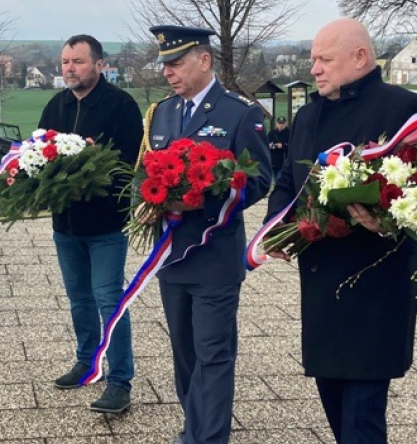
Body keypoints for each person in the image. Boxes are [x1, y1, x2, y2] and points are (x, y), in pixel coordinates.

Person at [264, 19, 417, 444]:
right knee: (335, 404)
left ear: (360, 57)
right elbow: (288, 181)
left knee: (362, 416)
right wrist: (277, 226)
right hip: (322, 279)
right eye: (313, 60)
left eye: (325, 59)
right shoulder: (306, 115)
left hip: (376, 282)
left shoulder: (405, 108)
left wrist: (389, 221)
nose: (316, 69)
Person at [141, 25, 272, 444]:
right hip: (171, 257)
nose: (168, 72)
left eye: (176, 63)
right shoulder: (160, 113)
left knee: (214, 355)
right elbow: (143, 174)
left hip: (214, 256)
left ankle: (205, 439)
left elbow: (260, 179)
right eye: (164, 65)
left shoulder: (239, 112)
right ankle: (194, 427)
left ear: (203, 60)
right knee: (186, 357)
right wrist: (146, 204)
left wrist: (208, 199)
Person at [37, 34, 144, 414]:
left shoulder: (120, 106)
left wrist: (87, 180)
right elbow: (38, 153)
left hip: (105, 225)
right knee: (78, 298)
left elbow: (126, 164)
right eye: (65, 61)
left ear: (99, 65)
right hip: (64, 224)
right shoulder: (56, 106)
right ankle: (87, 361)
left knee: (108, 299)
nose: (70, 68)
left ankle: (120, 381)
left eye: (78, 61)